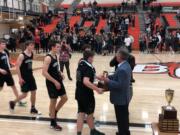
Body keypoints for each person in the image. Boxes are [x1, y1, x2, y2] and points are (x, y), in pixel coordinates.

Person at [100, 48, 132, 135]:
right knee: (124, 117)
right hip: (124, 96)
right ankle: (124, 131)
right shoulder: (126, 65)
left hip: (120, 98)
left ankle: (123, 133)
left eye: (117, 54)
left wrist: (107, 81)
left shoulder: (122, 69)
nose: (116, 56)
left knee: (121, 118)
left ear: (120, 56)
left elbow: (119, 85)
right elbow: (116, 76)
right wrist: (107, 77)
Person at [75, 50, 105, 135]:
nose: (93, 59)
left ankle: (79, 133)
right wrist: (97, 89)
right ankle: (93, 131)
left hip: (79, 93)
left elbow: (85, 76)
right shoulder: (88, 67)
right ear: (89, 58)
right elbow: (86, 81)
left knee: (81, 113)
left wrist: (97, 77)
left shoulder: (81, 64)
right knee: (90, 114)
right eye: (93, 58)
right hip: (86, 95)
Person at [42, 41, 68, 131]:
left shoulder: (55, 56)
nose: (59, 48)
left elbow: (56, 68)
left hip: (58, 80)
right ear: (52, 47)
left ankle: (54, 112)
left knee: (64, 98)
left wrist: (61, 73)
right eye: (57, 47)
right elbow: (44, 73)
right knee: (53, 101)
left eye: (59, 47)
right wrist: (55, 82)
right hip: (51, 82)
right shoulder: (48, 58)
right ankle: (52, 123)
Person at [9, 41, 40, 114]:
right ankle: (13, 102)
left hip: (30, 76)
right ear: (27, 46)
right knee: (24, 94)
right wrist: (20, 78)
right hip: (24, 77)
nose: (33, 47)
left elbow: (29, 64)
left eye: (33, 45)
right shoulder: (21, 55)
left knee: (34, 91)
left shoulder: (31, 53)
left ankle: (33, 108)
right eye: (31, 45)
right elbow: (17, 67)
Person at [0, 39, 25, 107]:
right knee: (1, 88)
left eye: (4, 44)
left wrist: (11, 64)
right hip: (1, 74)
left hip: (7, 72)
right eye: (2, 44)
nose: (4, 45)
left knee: (13, 86)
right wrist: (1, 70)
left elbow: (7, 61)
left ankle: (19, 101)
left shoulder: (5, 51)